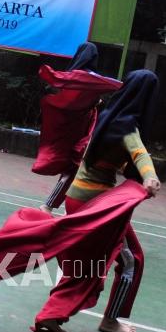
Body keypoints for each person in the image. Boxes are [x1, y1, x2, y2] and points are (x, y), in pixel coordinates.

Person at [0, 70, 161, 332]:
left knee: (87, 263)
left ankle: (52, 315)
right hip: (97, 204)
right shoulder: (126, 126)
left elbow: (110, 160)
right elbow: (139, 153)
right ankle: (109, 320)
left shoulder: (106, 120)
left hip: (78, 199)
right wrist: (150, 176)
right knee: (130, 259)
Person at [33, 42, 121, 213]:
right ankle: (52, 205)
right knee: (74, 167)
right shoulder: (90, 78)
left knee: (74, 167)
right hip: (82, 130)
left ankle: (62, 206)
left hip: (69, 128)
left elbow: (56, 84)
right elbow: (113, 85)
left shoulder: (71, 76)